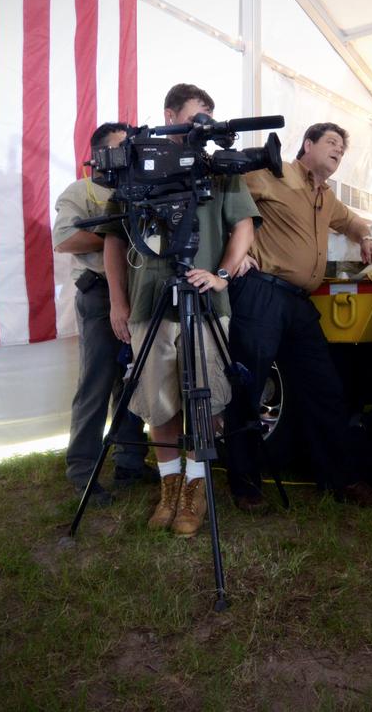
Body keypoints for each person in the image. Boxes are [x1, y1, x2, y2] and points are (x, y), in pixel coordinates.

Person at [103, 84, 261, 537]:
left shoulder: (220, 168)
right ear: (169, 113)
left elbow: (243, 226)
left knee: (206, 399)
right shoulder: (136, 167)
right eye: (194, 117)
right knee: (160, 403)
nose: (201, 127)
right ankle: (169, 487)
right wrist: (118, 300)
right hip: (149, 303)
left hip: (207, 301)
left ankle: (196, 490)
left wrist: (223, 275)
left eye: (207, 118)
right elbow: (114, 238)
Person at [223, 122, 372, 512]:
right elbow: (224, 202)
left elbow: (353, 222)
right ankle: (245, 486)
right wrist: (236, 253)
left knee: (324, 389)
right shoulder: (268, 174)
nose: (338, 152)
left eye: (342, 149)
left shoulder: (326, 197)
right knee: (249, 387)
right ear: (307, 144)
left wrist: (365, 236)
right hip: (261, 293)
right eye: (331, 143)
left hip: (298, 303)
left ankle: (339, 478)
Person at [53, 123, 155, 506]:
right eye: (119, 146)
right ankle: (83, 470)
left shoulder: (137, 189)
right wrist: (123, 232)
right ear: (99, 155)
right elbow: (64, 239)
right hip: (98, 294)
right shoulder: (81, 191)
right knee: (97, 381)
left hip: (138, 293)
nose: (128, 152)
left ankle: (130, 461)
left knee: (135, 379)